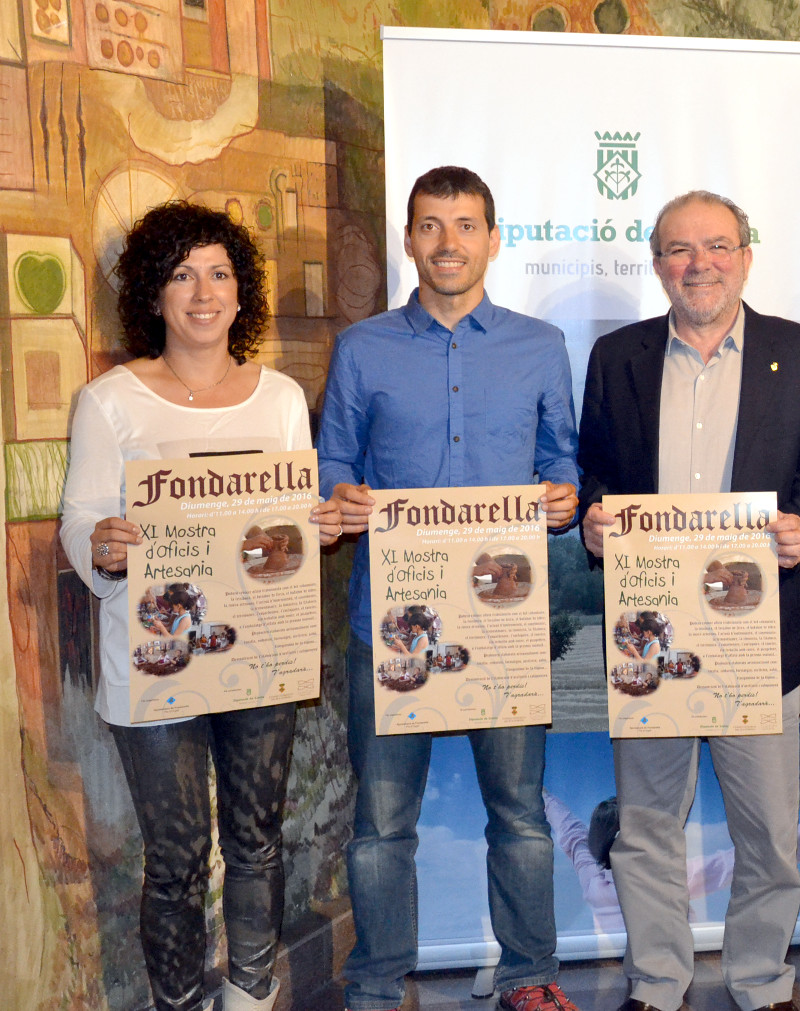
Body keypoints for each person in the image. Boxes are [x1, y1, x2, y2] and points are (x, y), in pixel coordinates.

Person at [58, 201, 341, 1011]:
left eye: (218, 272)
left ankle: (252, 994)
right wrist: (100, 543)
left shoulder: (279, 397)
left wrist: (312, 527)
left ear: (240, 291)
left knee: (256, 839)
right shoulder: (110, 401)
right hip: (156, 665)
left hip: (257, 651)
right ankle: (179, 1001)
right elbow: (81, 521)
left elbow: (289, 518)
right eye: (182, 274)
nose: (203, 291)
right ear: (154, 293)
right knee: (177, 855)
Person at [578, 190, 800, 1011]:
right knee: (647, 828)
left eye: (717, 246)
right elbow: (594, 467)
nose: (699, 263)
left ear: (745, 254)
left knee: (768, 833)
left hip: (760, 637)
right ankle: (658, 984)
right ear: (657, 261)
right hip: (649, 636)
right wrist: (594, 518)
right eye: (679, 249)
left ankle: (763, 982)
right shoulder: (615, 357)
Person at [317, 166, 581, 1011]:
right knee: (382, 824)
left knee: (522, 816)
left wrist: (564, 494)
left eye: (466, 226)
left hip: (502, 623)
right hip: (389, 622)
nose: (448, 244)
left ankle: (528, 977)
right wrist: (343, 500)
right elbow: (334, 466)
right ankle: (378, 984)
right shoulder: (363, 348)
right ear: (409, 240)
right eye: (430, 226)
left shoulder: (541, 347)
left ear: (493, 240)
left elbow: (561, 459)